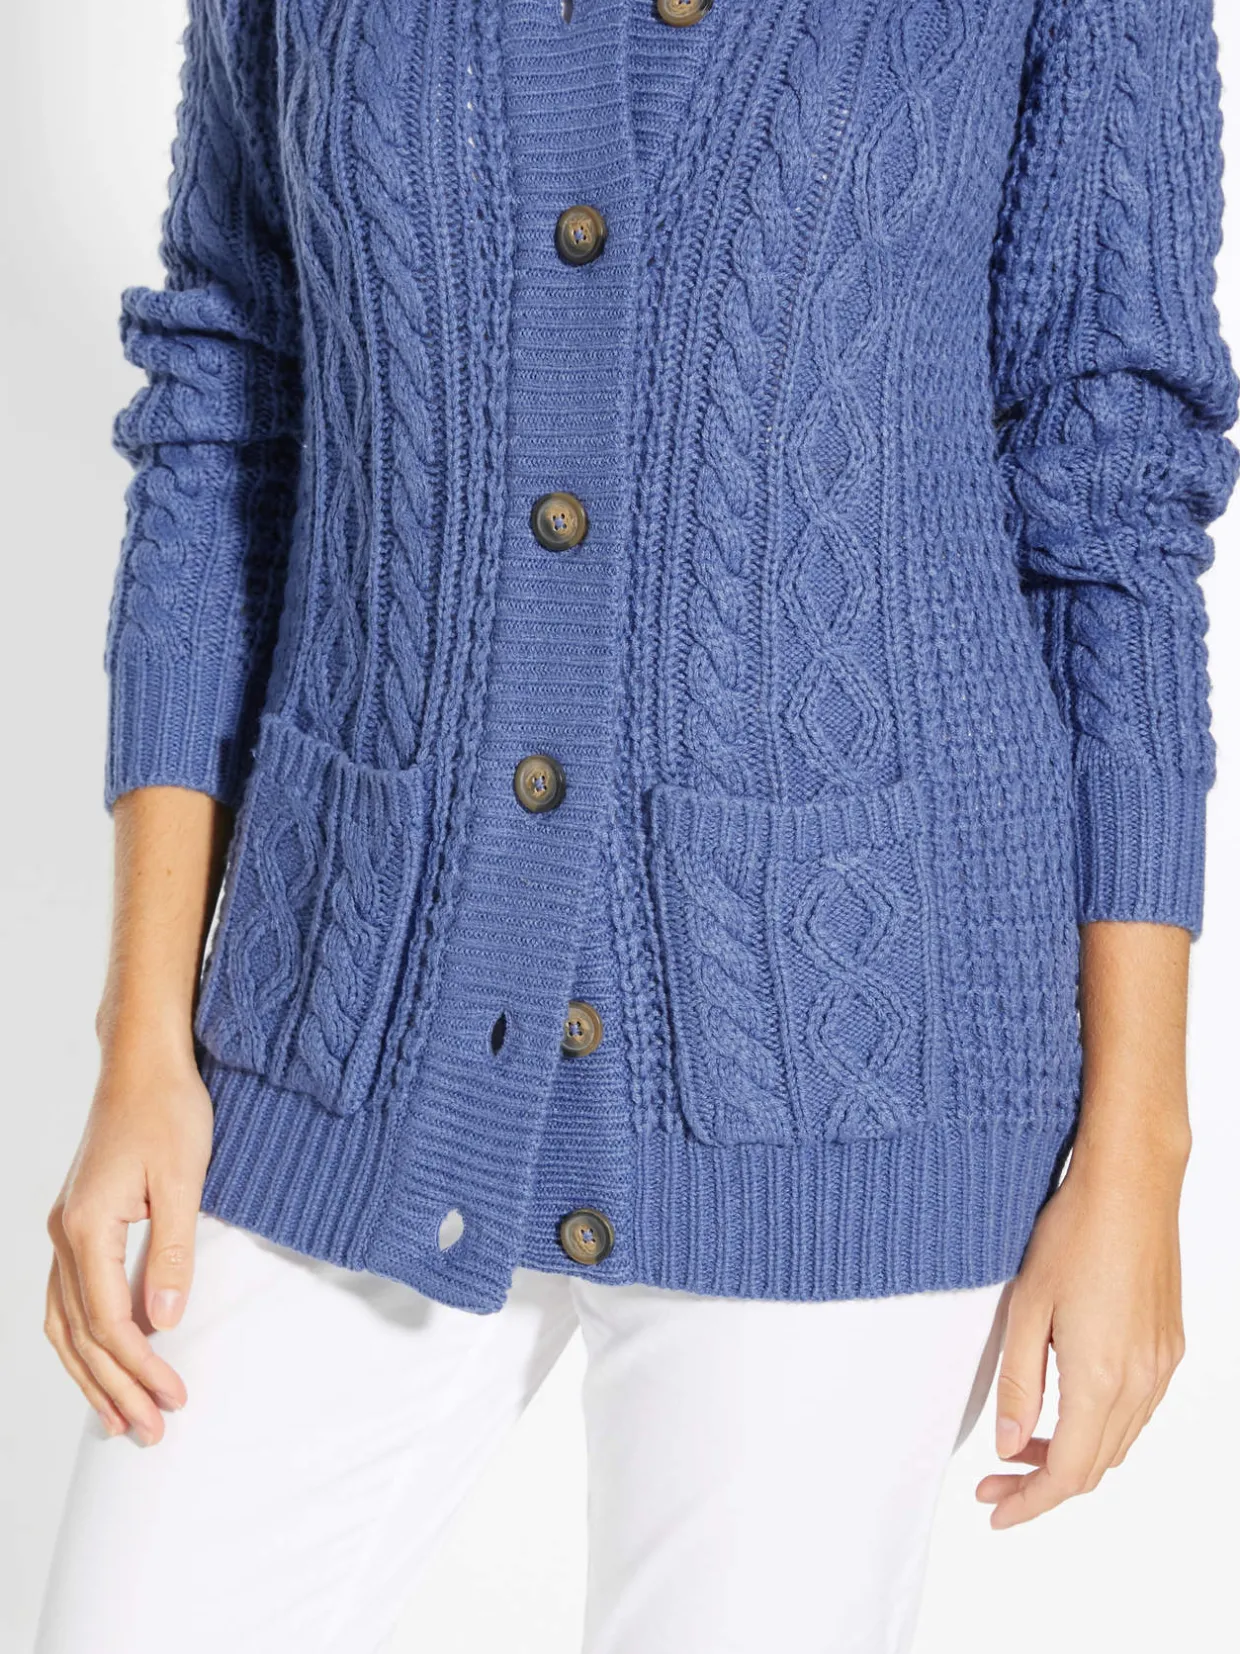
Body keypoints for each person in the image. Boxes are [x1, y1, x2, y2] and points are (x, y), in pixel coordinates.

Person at [35, 1, 1238, 1650]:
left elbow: (1114, 491)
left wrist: (1140, 1148)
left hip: (837, 1052)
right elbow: (228, 385)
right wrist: (140, 1041)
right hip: (349, 1011)